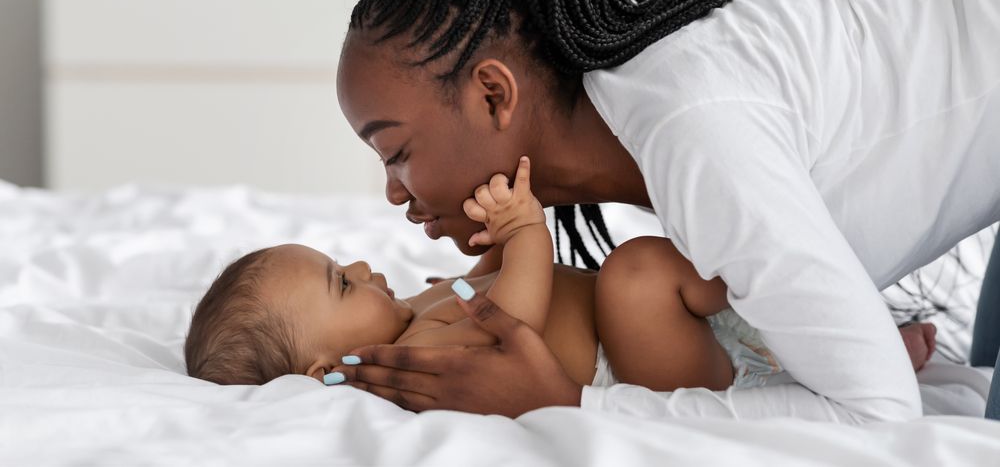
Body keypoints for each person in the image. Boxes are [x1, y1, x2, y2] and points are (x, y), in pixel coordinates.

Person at [331, 0, 1000, 423]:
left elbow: (879, 411)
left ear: (493, 94)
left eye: (396, 151)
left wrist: (568, 401)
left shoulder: (693, 135)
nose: (392, 192)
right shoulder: (666, 108)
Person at [184, 158, 938, 392]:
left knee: (679, 252)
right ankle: (834, 341)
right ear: (327, 369)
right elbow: (515, 317)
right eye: (339, 285)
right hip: (644, 359)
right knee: (635, 272)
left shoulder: (414, 311)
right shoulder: (418, 360)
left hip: (671, 331)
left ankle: (811, 297)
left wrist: (486, 241)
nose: (355, 265)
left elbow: (479, 284)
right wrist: (523, 232)